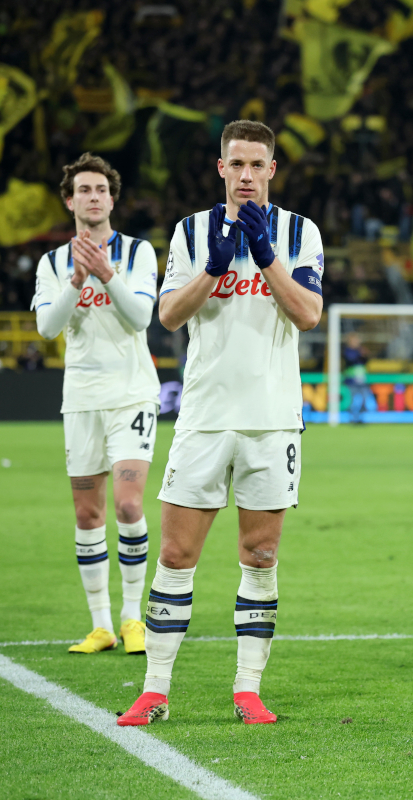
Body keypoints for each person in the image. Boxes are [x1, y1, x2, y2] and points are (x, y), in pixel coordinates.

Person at [119, 120, 324, 726]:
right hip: (205, 419)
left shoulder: (298, 231)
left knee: (260, 555)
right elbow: (170, 316)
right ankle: (154, 690)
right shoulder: (188, 232)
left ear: (271, 171)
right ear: (220, 169)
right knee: (178, 555)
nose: (245, 176)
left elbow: (309, 313)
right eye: (236, 164)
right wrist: (212, 267)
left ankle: (247, 689)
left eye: (256, 165)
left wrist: (265, 257)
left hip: (271, 421)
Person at [32, 153, 160, 657]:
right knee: (88, 515)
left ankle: (133, 618)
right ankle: (101, 625)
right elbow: (46, 328)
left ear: (112, 198)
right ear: (70, 200)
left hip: (131, 393)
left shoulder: (138, 253)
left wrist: (107, 275)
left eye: (101, 190)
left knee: (128, 504)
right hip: (81, 398)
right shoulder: (52, 264)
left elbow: (140, 319)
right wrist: (77, 281)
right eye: (83, 190)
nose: (93, 197)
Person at [342, 332, 372, 423]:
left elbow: (366, 361)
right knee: (352, 400)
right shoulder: (347, 351)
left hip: (362, 381)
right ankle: (352, 418)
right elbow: (350, 359)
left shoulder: (360, 350)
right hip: (351, 381)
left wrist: (365, 355)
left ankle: (361, 417)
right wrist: (361, 354)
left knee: (364, 399)